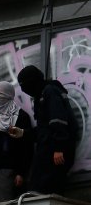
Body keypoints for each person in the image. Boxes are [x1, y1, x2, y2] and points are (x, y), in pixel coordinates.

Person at [16, 65, 77, 194]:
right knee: (41, 188)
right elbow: (44, 129)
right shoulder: (41, 95)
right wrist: (23, 133)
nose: (25, 90)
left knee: (45, 188)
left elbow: (58, 119)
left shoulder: (50, 92)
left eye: (25, 85)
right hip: (47, 150)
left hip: (54, 151)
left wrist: (59, 148)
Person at [0, 81, 34, 204]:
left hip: (8, 174)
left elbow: (26, 148)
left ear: (9, 97)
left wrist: (21, 173)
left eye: (1, 96)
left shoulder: (20, 117)